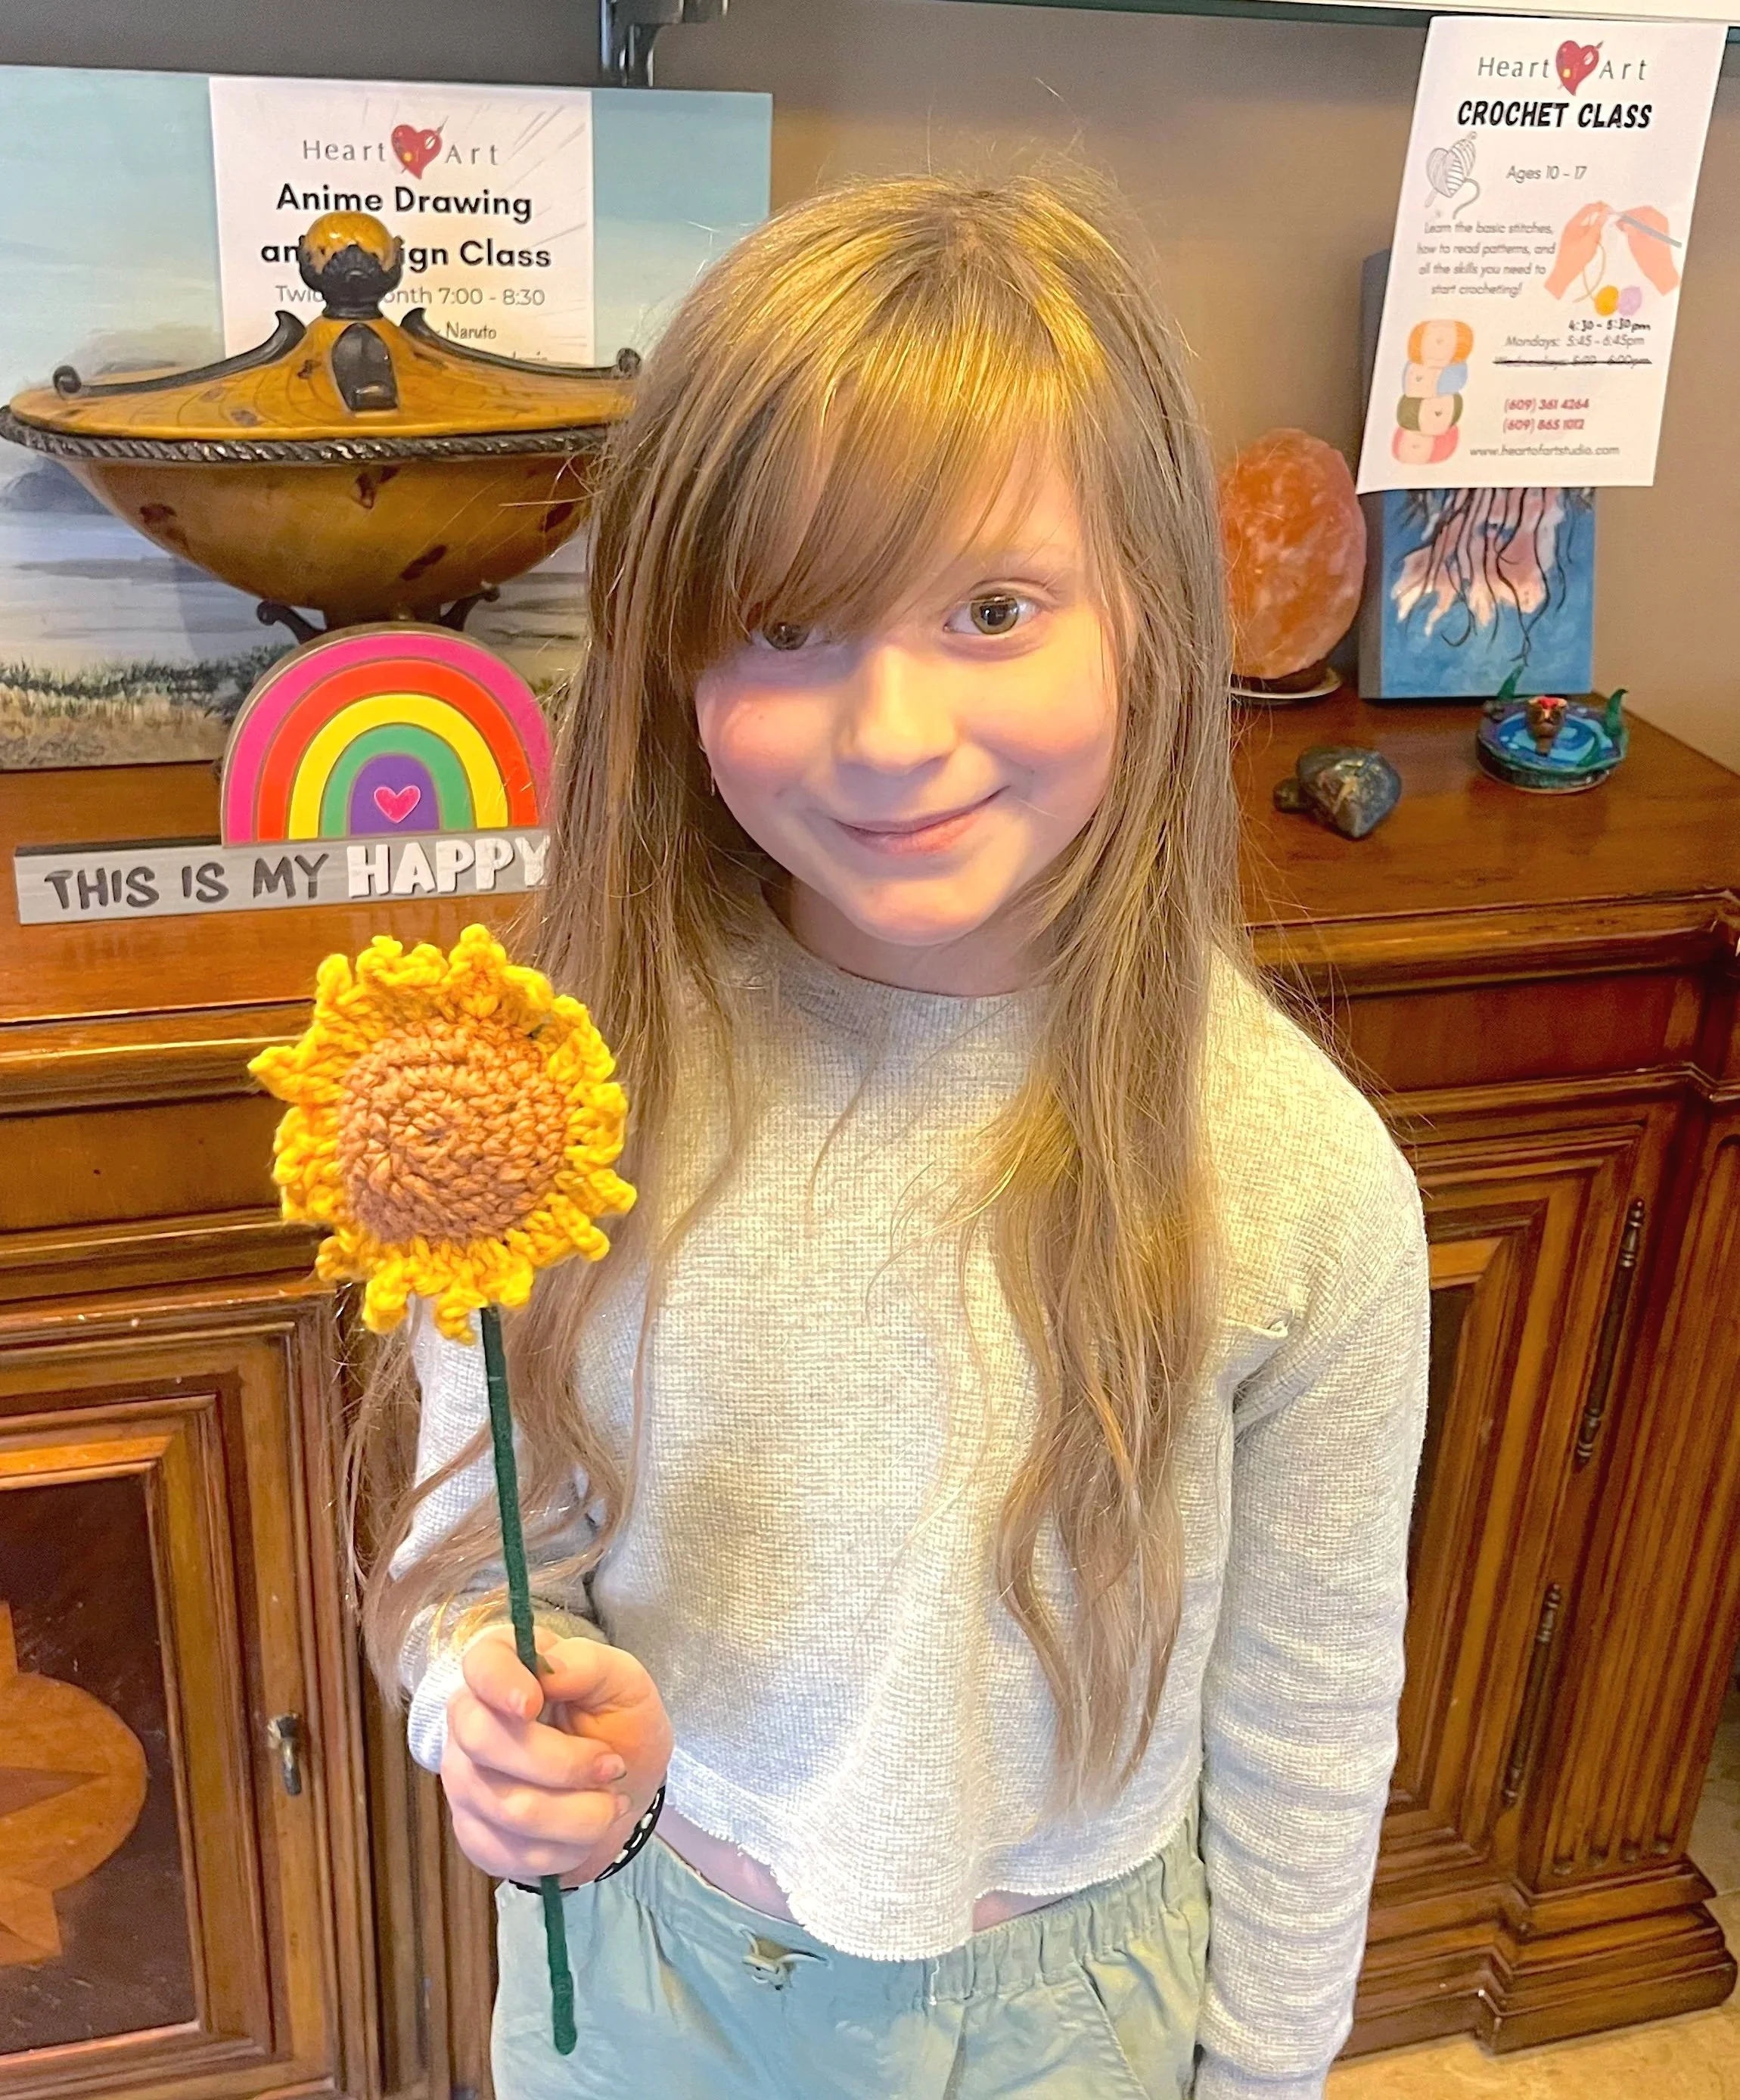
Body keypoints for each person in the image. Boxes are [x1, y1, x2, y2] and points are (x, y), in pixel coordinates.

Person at [360, 172, 1431, 2100]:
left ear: (1149, 620)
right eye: (785, 626)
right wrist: (489, 1712)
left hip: (1071, 2006)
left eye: (995, 607)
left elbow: (1308, 1709)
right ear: (672, 665)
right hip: (655, 1959)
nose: (889, 729)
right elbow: (471, 1546)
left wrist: (1265, 2072)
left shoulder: (1297, 1175)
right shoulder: (555, 1097)